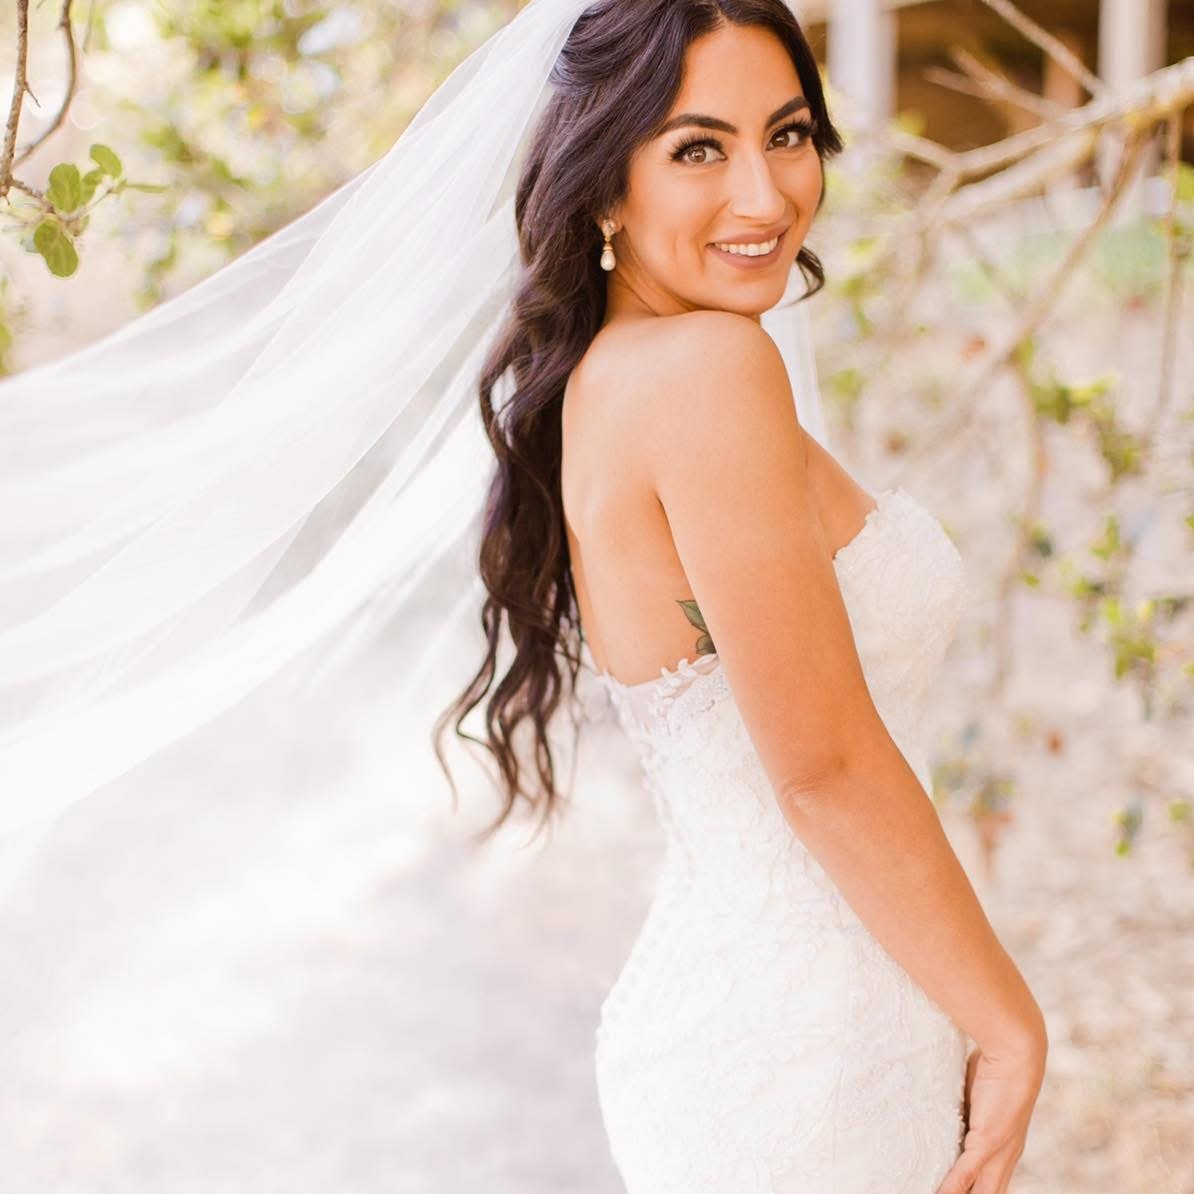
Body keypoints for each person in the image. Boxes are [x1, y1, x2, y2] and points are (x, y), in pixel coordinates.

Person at [0, 1, 1045, 1190]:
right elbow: (824, 769)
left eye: (789, 133)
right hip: (809, 1050)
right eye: (698, 148)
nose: (764, 195)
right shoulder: (708, 372)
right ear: (605, 189)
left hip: (792, 1020)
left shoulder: (616, 375)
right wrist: (1010, 1023)